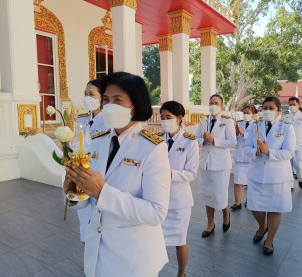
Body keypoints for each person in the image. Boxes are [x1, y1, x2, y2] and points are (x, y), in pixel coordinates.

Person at [64, 72, 171, 277]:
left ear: (136, 104)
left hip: (133, 258)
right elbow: (87, 196)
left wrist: (103, 192)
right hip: (98, 251)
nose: (109, 105)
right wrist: (74, 189)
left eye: (117, 99)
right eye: (106, 99)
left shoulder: (152, 148)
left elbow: (156, 212)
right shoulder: (97, 141)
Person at [244, 96, 296, 255]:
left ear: (279, 110)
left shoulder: (286, 127)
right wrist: (256, 151)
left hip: (277, 177)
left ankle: (270, 240)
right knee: (254, 207)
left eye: (271, 108)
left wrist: (269, 152)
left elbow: (289, 152)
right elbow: (246, 147)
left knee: (275, 209)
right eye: (264, 108)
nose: (267, 111)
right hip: (257, 174)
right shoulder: (255, 126)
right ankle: (262, 226)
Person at [159, 101, 199, 277]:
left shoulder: (190, 142)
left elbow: (191, 173)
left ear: (180, 118)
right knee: (156, 241)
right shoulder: (158, 140)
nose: (164, 121)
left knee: (179, 241)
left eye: (168, 117)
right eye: (162, 118)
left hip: (179, 202)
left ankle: (181, 273)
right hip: (159, 199)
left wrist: (169, 174)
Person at [196, 94, 237, 238]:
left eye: (216, 103)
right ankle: (210, 224)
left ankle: (225, 214)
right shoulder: (203, 120)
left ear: (222, 105)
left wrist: (214, 141)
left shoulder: (228, 121)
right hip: (205, 163)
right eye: (211, 102)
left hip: (220, 164)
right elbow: (196, 139)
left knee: (219, 194)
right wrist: (203, 141)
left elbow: (232, 142)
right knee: (208, 194)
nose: (213, 105)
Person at [76, 79, 109, 243]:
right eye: (85, 94)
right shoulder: (81, 119)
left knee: (97, 226)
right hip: (81, 176)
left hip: (98, 175)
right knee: (84, 223)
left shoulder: (108, 121)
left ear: (102, 98)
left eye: (91, 94)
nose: (87, 97)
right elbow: (77, 144)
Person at [231, 105, 257, 211]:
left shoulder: (256, 125)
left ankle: (248, 200)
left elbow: (254, 139)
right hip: (239, 156)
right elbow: (234, 139)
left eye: (248, 113)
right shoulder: (238, 123)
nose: (246, 115)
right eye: (244, 112)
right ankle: (237, 202)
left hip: (250, 158)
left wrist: (243, 133)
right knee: (238, 181)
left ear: (253, 114)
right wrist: (236, 133)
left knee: (251, 181)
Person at [282, 97, 302, 190]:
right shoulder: (284, 115)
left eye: (294, 104)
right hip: (287, 144)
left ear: (299, 104)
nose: (292, 106)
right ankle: (290, 184)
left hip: (299, 144)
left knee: (298, 164)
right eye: (290, 105)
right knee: (288, 165)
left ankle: (300, 178)